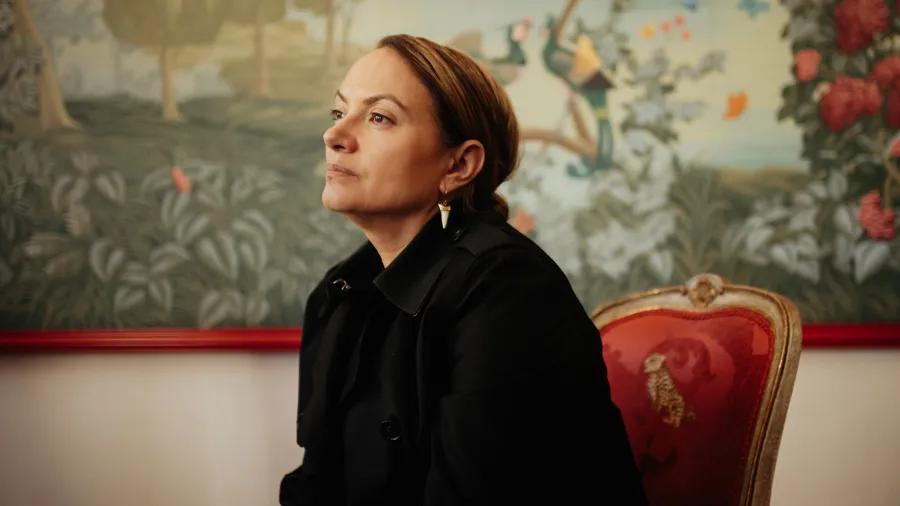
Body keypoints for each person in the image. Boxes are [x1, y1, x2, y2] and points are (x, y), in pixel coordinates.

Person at [279, 33, 647, 506]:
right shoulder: (339, 293)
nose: (335, 135)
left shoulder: (508, 290)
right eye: (339, 112)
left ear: (459, 164)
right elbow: (316, 485)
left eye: (379, 117)